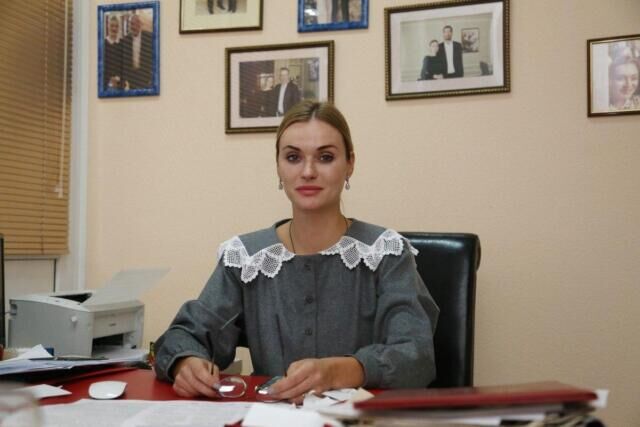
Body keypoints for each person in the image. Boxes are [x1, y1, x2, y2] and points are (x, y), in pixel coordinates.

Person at [153, 101, 440, 402]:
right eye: (293, 157)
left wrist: (341, 371)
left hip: (363, 418)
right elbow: (184, 335)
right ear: (278, 167)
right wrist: (185, 363)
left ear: (350, 164)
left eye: (325, 157)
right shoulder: (246, 257)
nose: (308, 171)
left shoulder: (386, 253)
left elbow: (416, 357)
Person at [121, 14, 154, 90]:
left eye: (133, 24)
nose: (132, 27)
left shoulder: (149, 37)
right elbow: (125, 60)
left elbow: (152, 57)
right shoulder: (126, 39)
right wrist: (126, 78)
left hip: (145, 75)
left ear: (139, 24)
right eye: (130, 24)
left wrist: (151, 76)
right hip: (132, 76)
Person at [103, 15, 123, 91]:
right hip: (106, 83)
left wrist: (118, 79)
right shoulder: (103, 44)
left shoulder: (122, 43)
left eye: (116, 26)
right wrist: (110, 80)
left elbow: (123, 65)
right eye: (112, 26)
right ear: (108, 26)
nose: (114, 28)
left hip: (120, 83)